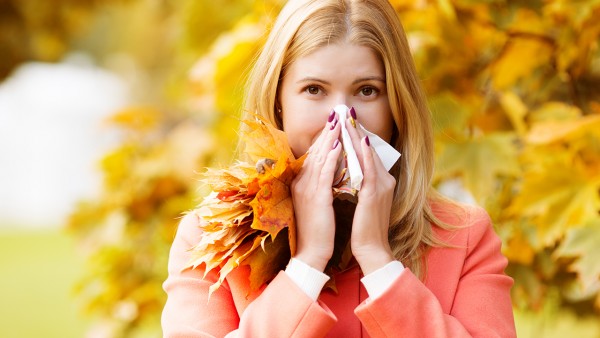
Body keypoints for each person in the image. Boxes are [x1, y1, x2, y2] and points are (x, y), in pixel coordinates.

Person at [161, 0, 516, 336]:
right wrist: (307, 264)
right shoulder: (210, 240)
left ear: (397, 108)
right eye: (314, 89)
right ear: (278, 101)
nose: (343, 118)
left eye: (367, 91)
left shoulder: (464, 237)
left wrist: (380, 264)